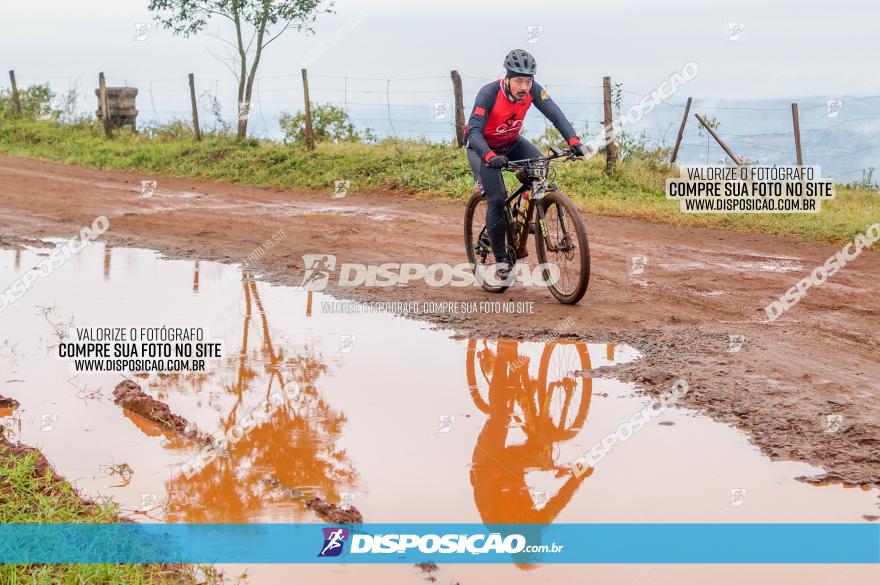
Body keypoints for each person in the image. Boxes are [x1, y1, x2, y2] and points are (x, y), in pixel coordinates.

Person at [465, 49, 586, 281]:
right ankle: (501, 258)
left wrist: (574, 141)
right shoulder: (488, 93)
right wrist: (489, 157)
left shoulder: (534, 91)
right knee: (497, 198)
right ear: (507, 79)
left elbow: (556, 115)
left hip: (510, 142)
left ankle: (523, 217)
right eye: (519, 80)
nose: (524, 87)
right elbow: (474, 131)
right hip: (481, 149)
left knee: (539, 165)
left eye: (528, 81)